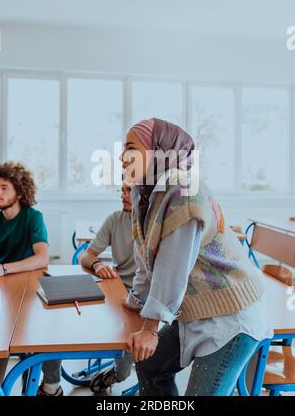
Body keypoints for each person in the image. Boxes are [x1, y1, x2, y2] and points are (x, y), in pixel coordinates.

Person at [121, 118, 272, 396]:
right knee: (149, 364)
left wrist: (151, 329)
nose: (121, 156)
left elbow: (172, 267)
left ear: (159, 150)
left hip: (230, 315)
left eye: (130, 147)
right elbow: (145, 257)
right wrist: (136, 299)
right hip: (197, 311)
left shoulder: (183, 191)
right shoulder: (145, 193)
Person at [38, 184, 136, 396]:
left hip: (139, 299)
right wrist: (98, 264)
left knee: (125, 369)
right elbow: (86, 256)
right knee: (55, 316)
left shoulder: (155, 225)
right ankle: (51, 384)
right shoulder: (116, 219)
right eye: (123, 190)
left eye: (130, 191)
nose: (123, 196)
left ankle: (116, 374)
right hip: (113, 290)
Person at [0, 161, 49, 384]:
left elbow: (42, 257)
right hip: (3, 289)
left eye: (4, 187)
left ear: (19, 192)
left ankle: (47, 384)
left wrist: (5, 268)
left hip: (29, 288)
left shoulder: (32, 217)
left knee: (41, 334)